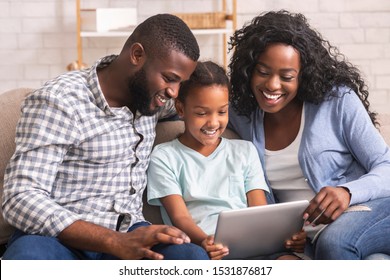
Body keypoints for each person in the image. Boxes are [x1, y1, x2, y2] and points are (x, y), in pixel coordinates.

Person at [1, 14, 209, 260]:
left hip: (130, 232)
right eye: (169, 78)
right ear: (137, 55)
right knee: (29, 259)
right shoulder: (60, 100)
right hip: (59, 239)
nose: (174, 92)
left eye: (180, 84)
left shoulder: (154, 98)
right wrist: (113, 241)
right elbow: (20, 198)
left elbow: (207, 104)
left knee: (191, 257)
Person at [227, 10, 390, 260]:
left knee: (335, 243)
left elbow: (386, 166)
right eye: (263, 72)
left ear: (303, 77)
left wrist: (347, 192)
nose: (272, 85)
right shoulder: (241, 112)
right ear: (249, 69)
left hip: (363, 209)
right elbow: (188, 101)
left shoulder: (337, 101)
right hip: (303, 237)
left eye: (287, 76)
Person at [147, 61, 306, 260]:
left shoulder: (245, 150)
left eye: (222, 112)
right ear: (181, 108)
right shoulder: (164, 156)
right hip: (202, 247)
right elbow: (179, 217)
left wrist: (286, 237)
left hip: (249, 243)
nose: (213, 122)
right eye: (201, 113)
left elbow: (260, 211)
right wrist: (204, 241)